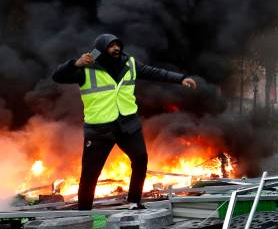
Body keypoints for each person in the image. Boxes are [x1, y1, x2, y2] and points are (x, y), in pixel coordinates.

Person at [52, 33, 197, 210]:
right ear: (100, 49)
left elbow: (155, 72)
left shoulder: (129, 63)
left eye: (118, 45)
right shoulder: (86, 67)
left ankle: (134, 201)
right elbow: (57, 76)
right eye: (111, 46)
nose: (116, 48)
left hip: (128, 125)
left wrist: (180, 79)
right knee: (90, 172)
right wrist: (74, 64)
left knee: (140, 158)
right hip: (99, 129)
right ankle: (84, 211)